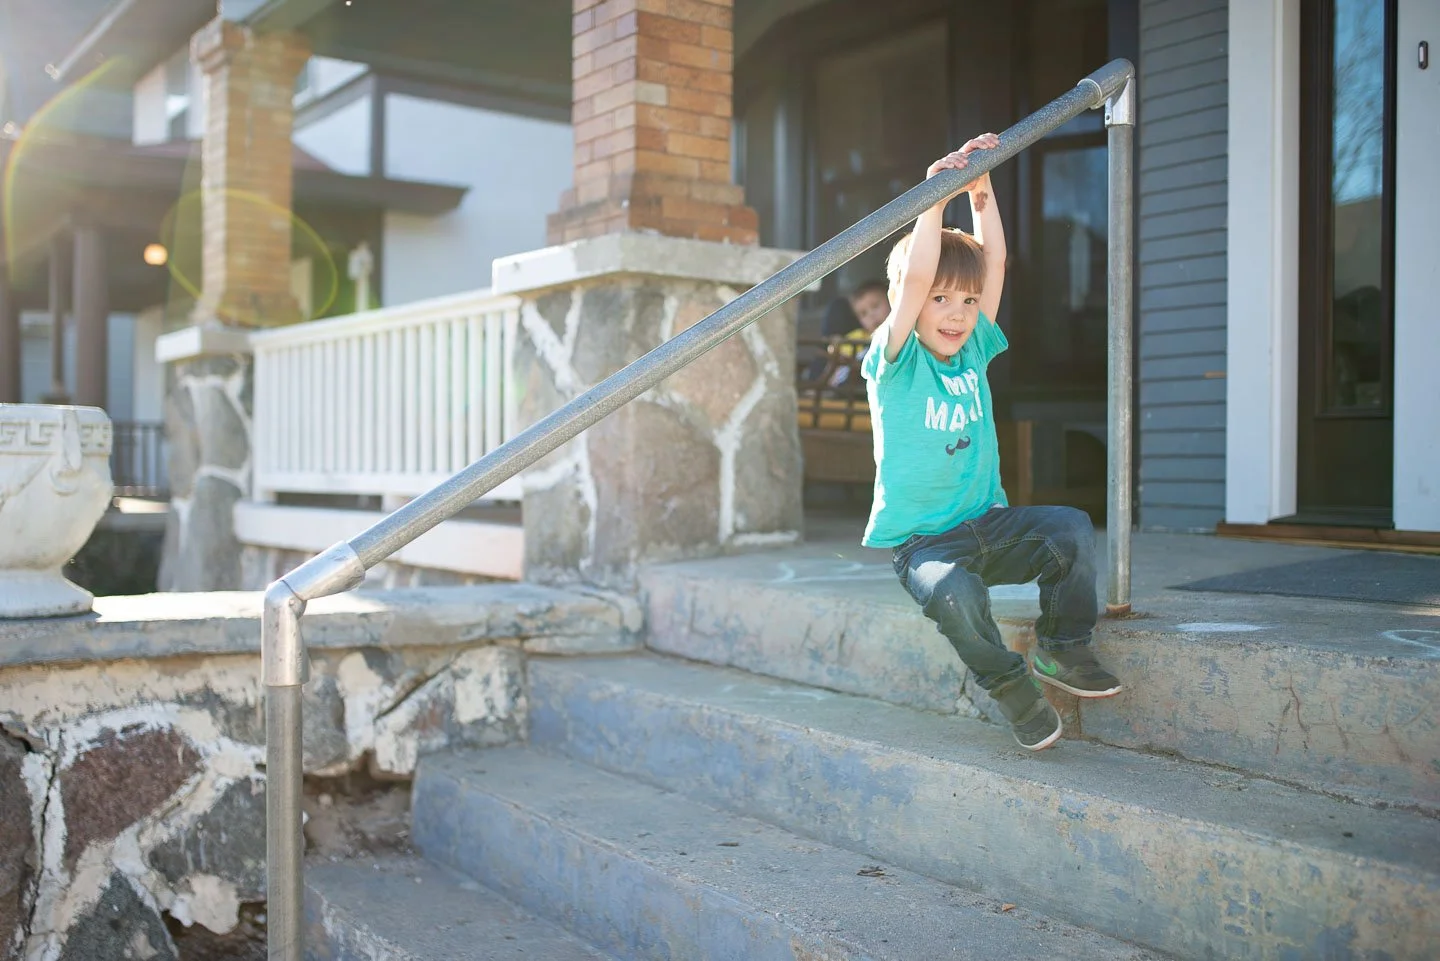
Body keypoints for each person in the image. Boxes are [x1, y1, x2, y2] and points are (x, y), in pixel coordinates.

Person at [860, 134, 1122, 752]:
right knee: (955, 593)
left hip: (990, 525)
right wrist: (934, 198)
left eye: (968, 302)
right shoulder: (896, 360)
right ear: (906, 303)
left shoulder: (974, 350)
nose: (956, 313)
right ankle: (1008, 687)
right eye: (939, 300)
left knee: (1071, 528)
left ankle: (1061, 647)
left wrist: (980, 193)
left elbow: (994, 265)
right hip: (925, 546)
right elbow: (921, 268)